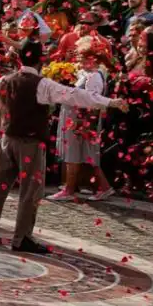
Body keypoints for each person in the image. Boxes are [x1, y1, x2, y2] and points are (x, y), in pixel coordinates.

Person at [0, 40, 126, 254]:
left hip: (7, 139)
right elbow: (74, 96)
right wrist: (109, 102)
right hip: (30, 143)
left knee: (0, 186)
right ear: (40, 59)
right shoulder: (42, 84)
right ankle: (22, 237)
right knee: (30, 190)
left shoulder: (5, 81)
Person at [50, 37, 114, 202]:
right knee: (87, 156)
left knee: (78, 154)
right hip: (75, 117)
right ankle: (104, 188)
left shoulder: (94, 77)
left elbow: (92, 101)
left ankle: (69, 189)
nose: (77, 59)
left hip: (80, 119)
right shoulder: (86, 73)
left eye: (81, 56)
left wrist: (84, 123)